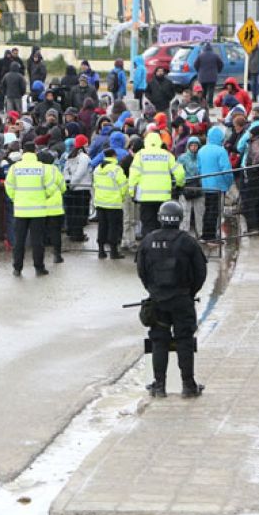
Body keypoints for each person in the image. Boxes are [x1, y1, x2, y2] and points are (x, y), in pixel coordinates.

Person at [136, 201, 208, 399]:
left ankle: (159, 386)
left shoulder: (148, 241)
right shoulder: (187, 242)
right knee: (184, 340)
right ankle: (188, 385)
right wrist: (189, 293)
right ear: (180, 219)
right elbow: (201, 272)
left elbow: (142, 271)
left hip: (158, 300)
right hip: (182, 300)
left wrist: (154, 290)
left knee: (159, 341)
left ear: (160, 217)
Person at [5, 141, 58, 276]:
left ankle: (17, 268)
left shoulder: (15, 168)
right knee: (37, 241)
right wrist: (43, 196)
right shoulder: (42, 168)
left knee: (19, 240)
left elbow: (8, 186)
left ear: (23, 151)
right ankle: (39, 267)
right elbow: (52, 187)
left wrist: (15, 198)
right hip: (38, 210)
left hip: (20, 209)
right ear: (35, 151)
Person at [129, 133, 186, 235]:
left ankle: (149, 247)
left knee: (147, 225)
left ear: (146, 142)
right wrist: (179, 185)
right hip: (163, 197)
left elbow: (133, 175)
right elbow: (180, 173)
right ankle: (162, 247)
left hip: (145, 198)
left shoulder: (140, 155)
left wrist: (132, 192)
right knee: (162, 225)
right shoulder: (167, 155)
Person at [197, 127, 233, 242]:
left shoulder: (201, 150)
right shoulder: (221, 151)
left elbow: (199, 168)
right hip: (219, 185)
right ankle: (212, 237)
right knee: (216, 211)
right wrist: (228, 184)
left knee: (208, 210)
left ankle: (206, 234)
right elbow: (226, 170)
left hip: (206, 185)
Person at [93, 148, 129, 259]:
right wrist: (121, 197)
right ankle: (114, 252)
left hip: (100, 202)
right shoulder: (116, 169)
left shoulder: (97, 169)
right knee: (114, 227)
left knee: (102, 226)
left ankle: (101, 250)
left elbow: (95, 184)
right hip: (113, 203)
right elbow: (123, 186)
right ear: (114, 156)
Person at [62, 134, 92, 242]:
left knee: (72, 212)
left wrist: (69, 183)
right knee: (80, 214)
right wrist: (74, 183)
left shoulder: (70, 156)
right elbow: (81, 172)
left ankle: (72, 232)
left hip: (71, 188)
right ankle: (78, 234)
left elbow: (65, 170)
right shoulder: (84, 157)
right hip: (82, 188)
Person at [177, 137, 204, 237]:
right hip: (186, 187)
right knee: (185, 212)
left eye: (196, 145)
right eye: (192, 145)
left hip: (199, 187)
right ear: (188, 146)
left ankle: (200, 233)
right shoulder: (182, 158)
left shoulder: (201, 157)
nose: (193, 147)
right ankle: (184, 233)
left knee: (199, 212)